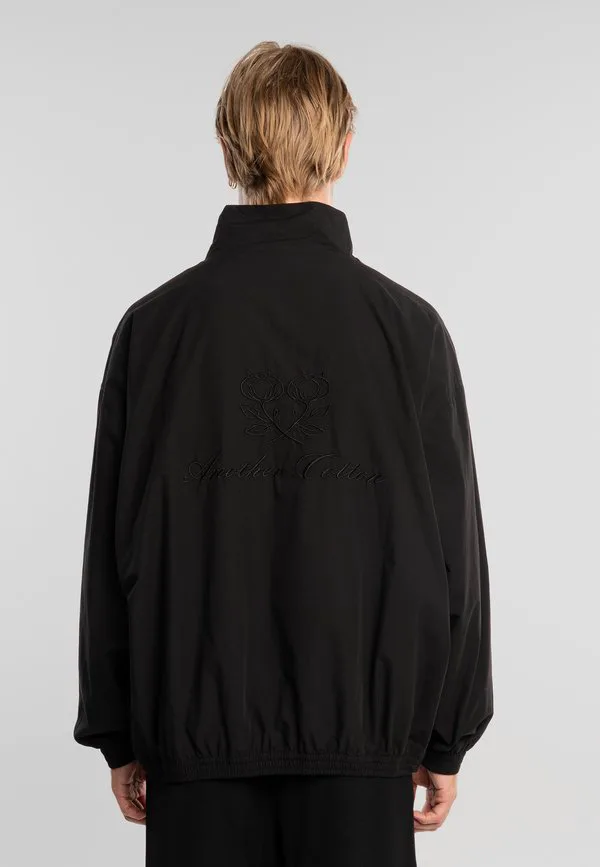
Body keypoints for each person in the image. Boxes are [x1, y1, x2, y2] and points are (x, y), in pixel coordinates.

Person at [73, 40, 493, 867]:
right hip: (362, 759)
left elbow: (109, 551)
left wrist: (117, 729)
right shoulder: (409, 331)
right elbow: (458, 558)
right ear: (344, 148)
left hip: (195, 757)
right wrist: (445, 737)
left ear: (227, 147)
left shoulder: (154, 331)